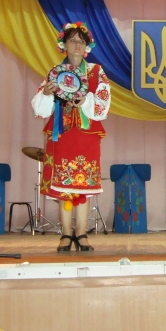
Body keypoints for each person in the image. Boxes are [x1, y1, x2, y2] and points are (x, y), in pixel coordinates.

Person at [32, 22, 111, 252]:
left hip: (87, 135)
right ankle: (66, 233)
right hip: (62, 134)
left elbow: (104, 104)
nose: (77, 45)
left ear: (87, 47)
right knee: (64, 184)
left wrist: (86, 100)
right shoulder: (56, 73)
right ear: (64, 45)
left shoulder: (96, 72)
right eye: (72, 40)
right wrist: (47, 93)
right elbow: (40, 109)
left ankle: (82, 233)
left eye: (81, 41)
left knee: (83, 184)